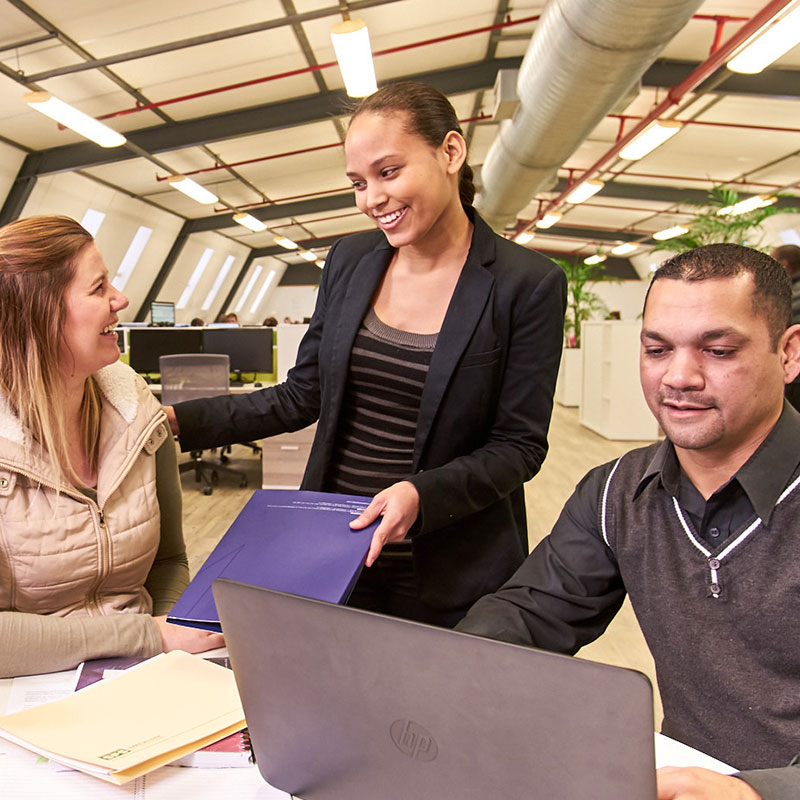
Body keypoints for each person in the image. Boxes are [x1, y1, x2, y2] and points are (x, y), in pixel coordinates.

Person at [165, 82, 567, 627]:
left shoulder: (526, 284)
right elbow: (303, 395)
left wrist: (422, 495)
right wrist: (174, 423)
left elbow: (518, 446)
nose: (371, 198)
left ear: (450, 152)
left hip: (447, 565)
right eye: (358, 182)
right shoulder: (351, 260)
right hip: (336, 552)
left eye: (389, 172)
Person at [456, 243, 800, 799]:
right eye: (657, 349)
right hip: (677, 782)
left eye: (717, 350)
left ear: (788, 353)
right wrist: (432, 673)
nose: (679, 377)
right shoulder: (617, 491)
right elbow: (528, 615)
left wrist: (758, 793)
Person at [0, 216, 223, 678]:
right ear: (38, 316)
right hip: (27, 698)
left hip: (140, 678)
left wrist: (172, 651)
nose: (120, 299)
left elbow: (169, 560)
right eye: (99, 287)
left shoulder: (136, 411)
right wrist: (148, 636)